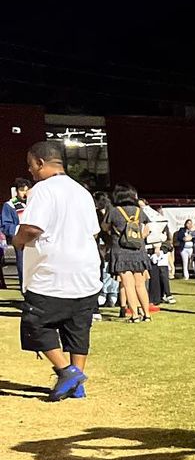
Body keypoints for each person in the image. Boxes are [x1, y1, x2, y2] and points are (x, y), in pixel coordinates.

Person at [12, 141, 101, 400]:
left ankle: (66, 372)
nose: (30, 171)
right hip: (86, 271)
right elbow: (94, 231)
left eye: (31, 165)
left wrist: (17, 240)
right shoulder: (82, 192)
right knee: (77, 328)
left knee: (35, 324)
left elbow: (33, 227)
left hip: (51, 273)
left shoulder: (43, 190)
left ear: (40, 163)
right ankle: (76, 384)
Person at [107, 184, 153, 322]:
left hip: (121, 251)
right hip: (138, 250)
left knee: (128, 285)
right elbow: (147, 228)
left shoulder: (114, 211)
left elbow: (105, 227)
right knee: (140, 284)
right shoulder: (139, 211)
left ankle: (134, 315)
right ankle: (147, 314)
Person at [2, 176, 31, 287]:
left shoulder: (34, 203)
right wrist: (19, 230)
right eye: (22, 190)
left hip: (34, 239)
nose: (25, 193)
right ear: (16, 191)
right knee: (23, 265)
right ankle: (25, 289)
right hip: (21, 240)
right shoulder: (9, 206)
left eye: (27, 190)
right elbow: (6, 225)